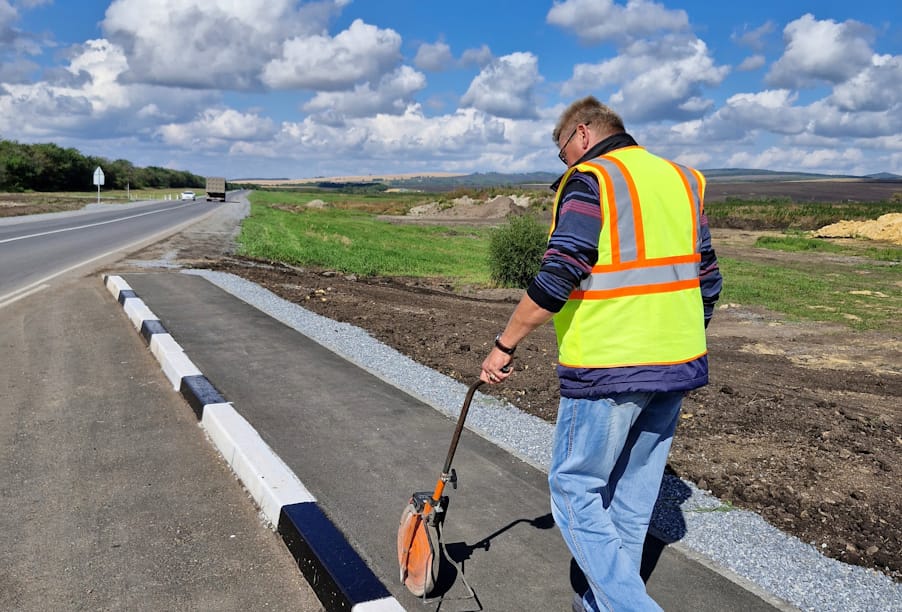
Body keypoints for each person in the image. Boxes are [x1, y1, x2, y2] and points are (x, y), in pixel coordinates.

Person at [480, 96, 722, 611]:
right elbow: (709, 280)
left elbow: (560, 272)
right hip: (676, 364)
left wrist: (504, 344)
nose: (565, 163)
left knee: (573, 491)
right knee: (631, 501)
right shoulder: (683, 180)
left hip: (608, 365)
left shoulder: (592, 180)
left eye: (563, 150)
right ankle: (599, 604)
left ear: (583, 135)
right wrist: (676, 336)